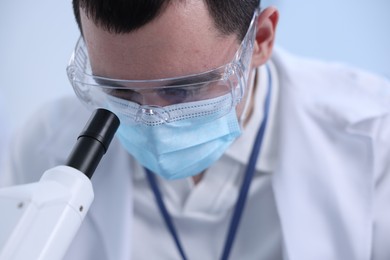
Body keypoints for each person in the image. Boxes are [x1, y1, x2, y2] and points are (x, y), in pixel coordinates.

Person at [1, 0, 390, 259]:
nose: (151, 121)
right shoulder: (41, 151)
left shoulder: (375, 138)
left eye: (181, 90)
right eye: (119, 90)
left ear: (260, 40)